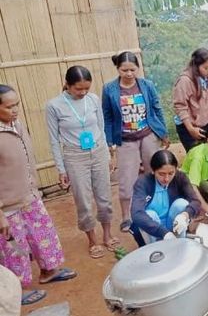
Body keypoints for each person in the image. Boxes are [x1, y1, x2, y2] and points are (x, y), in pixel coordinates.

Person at [1, 84, 76, 306]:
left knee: (43, 235)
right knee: (14, 250)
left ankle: (48, 271)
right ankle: (16, 290)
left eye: (17, 105)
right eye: (8, 107)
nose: (15, 110)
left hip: (30, 196)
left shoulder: (18, 125)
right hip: (8, 206)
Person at [46, 66, 119, 259]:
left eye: (86, 88)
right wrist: (61, 169)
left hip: (98, 150)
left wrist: (109, 154)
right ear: (68, 85)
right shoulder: (54, 106)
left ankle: (107, 234)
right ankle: (92, 239)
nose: (83, 92)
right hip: (74, 155)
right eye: (78, 89)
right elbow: (54, 140)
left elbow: (102, 129)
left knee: (104, 196)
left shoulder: (93, 99)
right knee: (84, 201)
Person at [102, 51, 170, 233]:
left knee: (154, 172)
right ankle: (127, 216)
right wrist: (109, 141)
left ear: (137, 68)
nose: (129, 74)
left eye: (132, 69)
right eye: (125, 70)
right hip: (125, 140)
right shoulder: (109, 89)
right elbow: (107, 116)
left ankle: (155, 207)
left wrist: (163, 132)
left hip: (148, 135)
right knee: (126, 179)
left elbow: (157, 108)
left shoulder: (146, 85)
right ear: (118, 69)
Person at [131, 150, 202, 245]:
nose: (166, 179)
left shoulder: (180, 177)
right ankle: (154, 247)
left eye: (171, 173)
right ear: (153, 171)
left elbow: (195, 201)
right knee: (150, 214)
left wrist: (185, 215)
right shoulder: (143, 182)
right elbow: (137, 214)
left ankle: (180, 243)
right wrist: (164, 233)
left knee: (181, 204)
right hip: (152, 226)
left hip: (172, 221)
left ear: (176, 170)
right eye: (161, 174)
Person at [173, 48, 208, 152]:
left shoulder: (206, 78)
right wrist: (191, 129)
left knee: (207, 154)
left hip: (205, 123)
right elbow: (180, 106)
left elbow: (205, 98)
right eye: (206, 68)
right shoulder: (185, 81)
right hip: (189, 126)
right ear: (196, 65)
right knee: (196, 156)